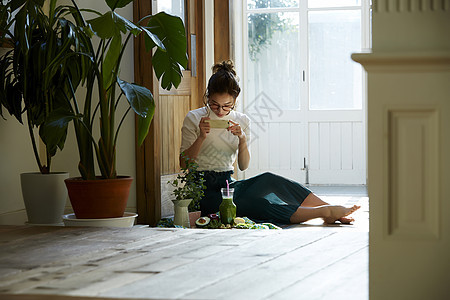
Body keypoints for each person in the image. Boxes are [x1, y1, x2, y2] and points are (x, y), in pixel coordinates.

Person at [180, 60, 360, 225]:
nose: (220, 111)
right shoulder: (194, 118)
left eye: (227, 105)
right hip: (202, 190)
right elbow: (183, 164)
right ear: (207, 96)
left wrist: (242, 139)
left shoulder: (241, 120)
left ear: (235, 101)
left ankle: (330, 208)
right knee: (258, 204)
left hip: (228, 185)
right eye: (214, 104)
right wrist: (201, 137)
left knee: (268, 179)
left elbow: (243, 166)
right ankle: (323, 212)